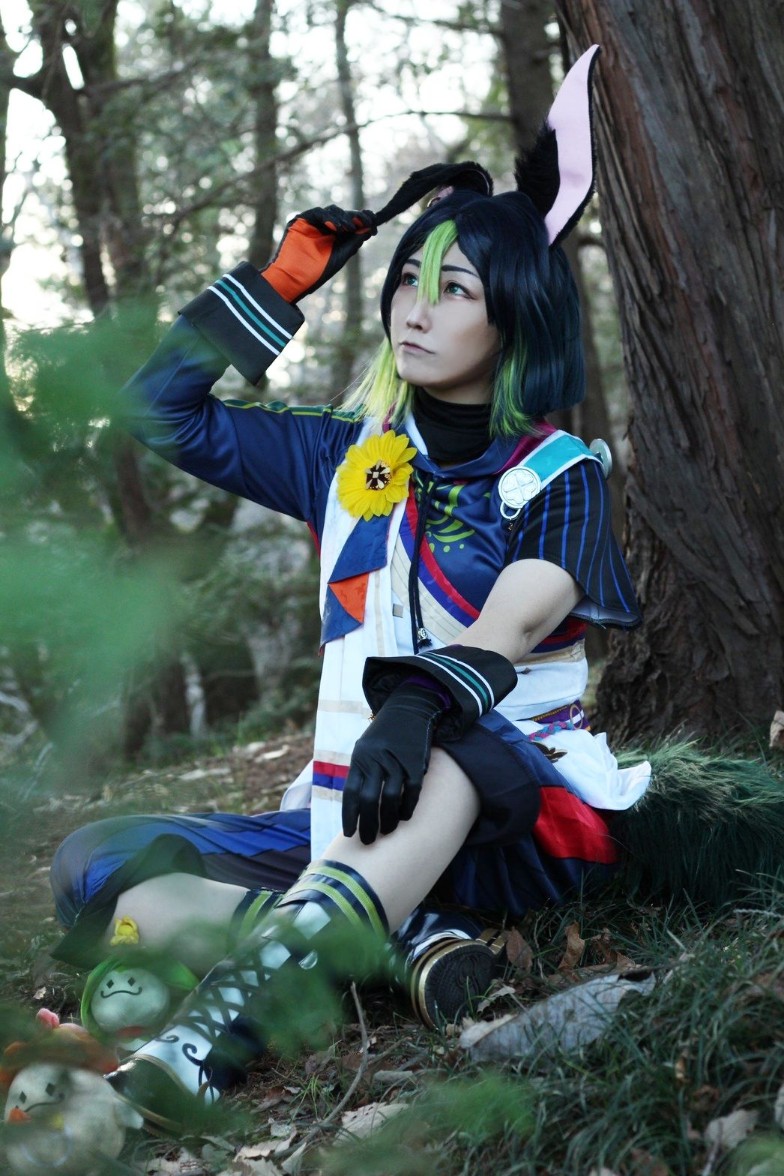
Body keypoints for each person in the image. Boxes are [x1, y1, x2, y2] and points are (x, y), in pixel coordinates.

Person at [48, 45, 651, 1132]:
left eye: (453, 289)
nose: (414, 310)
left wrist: (415, 708)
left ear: (513, 313)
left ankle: (204, 1049)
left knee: (455, 764)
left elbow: (513, 620)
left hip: (505, 816)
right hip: (348, 814)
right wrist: (280, 282)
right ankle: (403, 942)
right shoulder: (340, 455)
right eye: (407, 281)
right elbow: (160, 411)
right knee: (100, 867)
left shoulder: (559, 474)